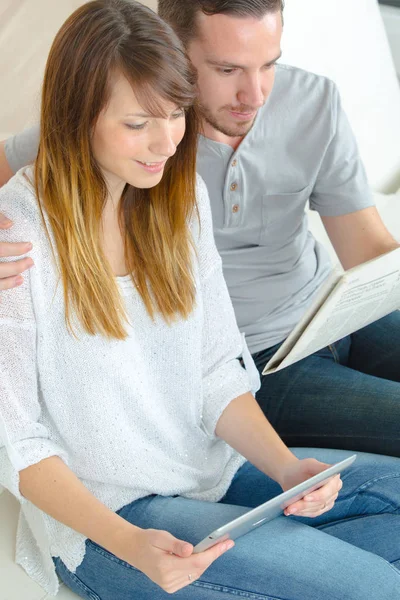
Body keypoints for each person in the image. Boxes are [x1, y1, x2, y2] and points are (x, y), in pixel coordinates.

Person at [1, 1, 400, 599]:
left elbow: (217, 371)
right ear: (75, 118)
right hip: (115, 518)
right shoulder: (19, 241)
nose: (166, 142)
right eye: (138, 124)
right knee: (367, 586)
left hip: (213, 473)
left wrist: (287, 469)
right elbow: (18, 443)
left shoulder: (177, 202)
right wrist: (128, 543)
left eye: (175, 115)